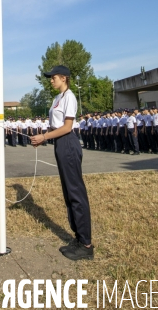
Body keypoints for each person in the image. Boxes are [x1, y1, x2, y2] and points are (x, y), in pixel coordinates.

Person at [31, 65, 94, 261]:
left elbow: (67, 127)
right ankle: (78, 237)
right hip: (59, 144)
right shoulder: (57, 99)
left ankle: (86, 244)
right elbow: (55, 126)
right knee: (68, 193)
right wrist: (43, 138)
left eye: (54, 77)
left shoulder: (70, 97)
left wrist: (45, 137)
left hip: (68, 143)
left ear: (64, 78)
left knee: (75, 192)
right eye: (50, 77)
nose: (51, 80)